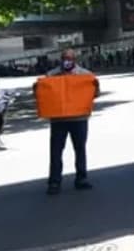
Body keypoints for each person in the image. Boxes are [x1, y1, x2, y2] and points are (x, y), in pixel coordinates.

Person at [42, 48, 99, 195]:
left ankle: (81, 179)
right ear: (60, 60)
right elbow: (44, 94)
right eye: (64, 58)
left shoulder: (85, 75)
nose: (67, 61)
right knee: (56, 151)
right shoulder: (51, 75)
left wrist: (95, 86)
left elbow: (94, 94)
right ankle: (54, 182)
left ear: (75, 60)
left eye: (70, 59)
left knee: (80, 149)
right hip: (59, 120)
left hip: (78, 119)